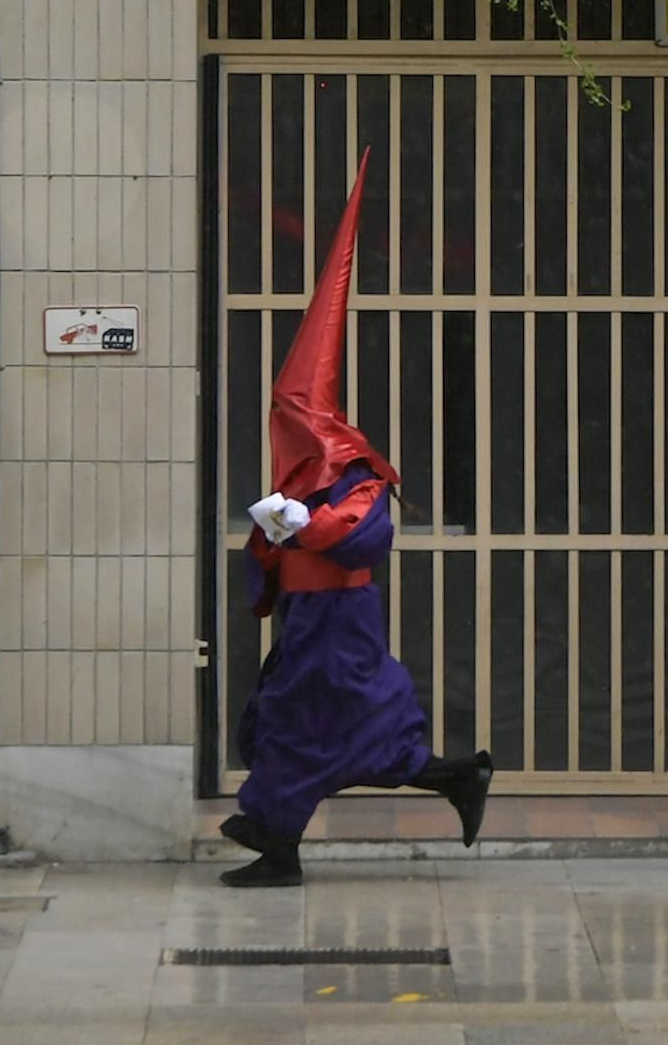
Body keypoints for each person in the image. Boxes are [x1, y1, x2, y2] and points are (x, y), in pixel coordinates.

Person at [219, 150, 493, 887]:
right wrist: (273, 535)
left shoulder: (356, 472)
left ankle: (276, 838)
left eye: (292, 414)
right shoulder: (307, 475)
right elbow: (289, 543)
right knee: (312, 727)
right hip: (312, 618)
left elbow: (359, 535)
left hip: (339, 622)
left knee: (306, 726)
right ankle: (441, 780)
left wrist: (298, 525)